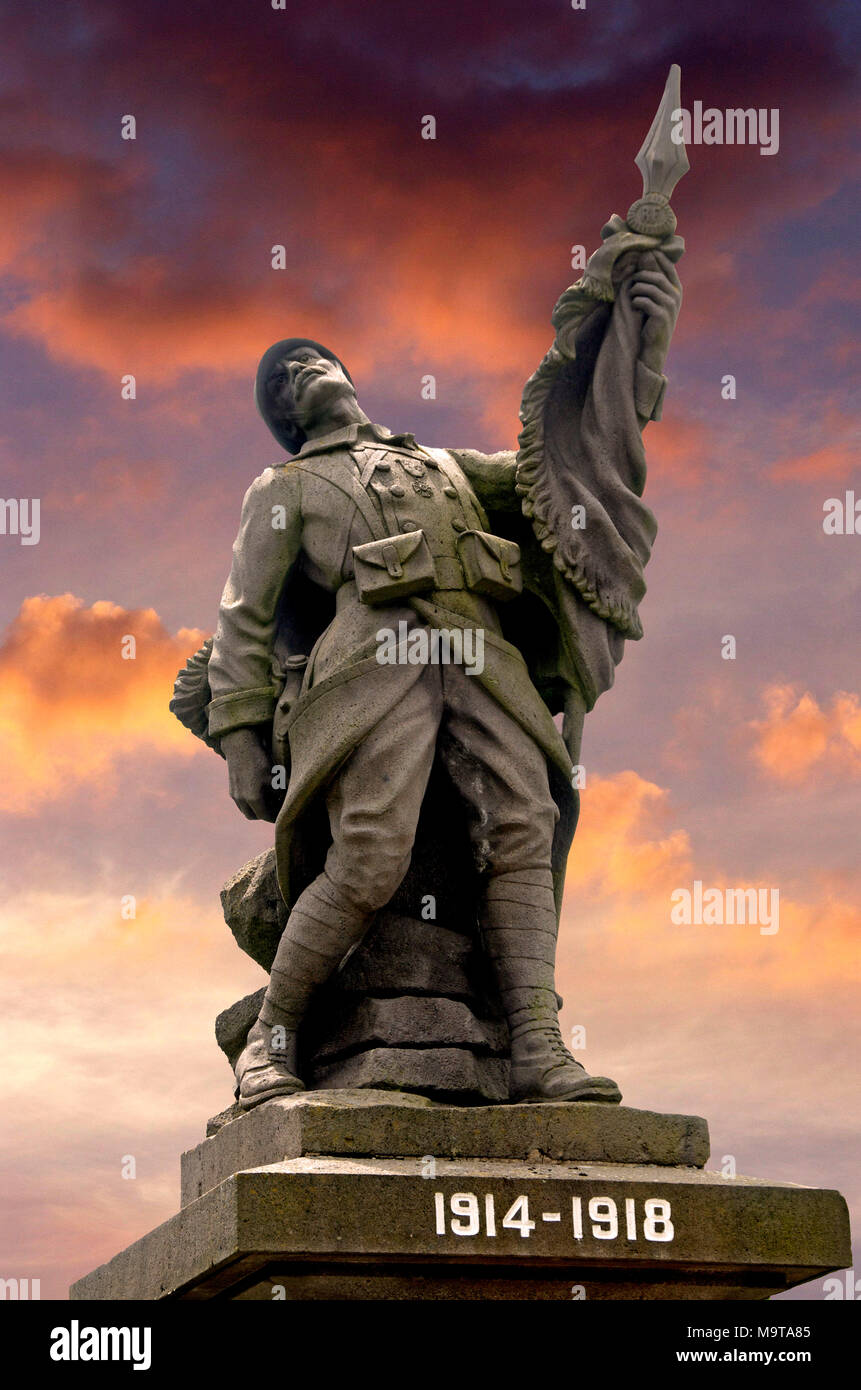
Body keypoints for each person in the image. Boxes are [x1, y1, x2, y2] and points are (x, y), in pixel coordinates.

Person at [205, 246, 681, 1110]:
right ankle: (271, 1044)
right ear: (285, 421)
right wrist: (240, 739)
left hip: (481, 654)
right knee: (369, 856)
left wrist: (626, 340)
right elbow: (244, 611)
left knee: (524, 825)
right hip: (370, 661)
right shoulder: (283, 486)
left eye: (313, 361)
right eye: (283, 384)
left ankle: (536, 1046)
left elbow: (565, 468)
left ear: (346, 375)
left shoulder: (450, 466)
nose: (301, 375)